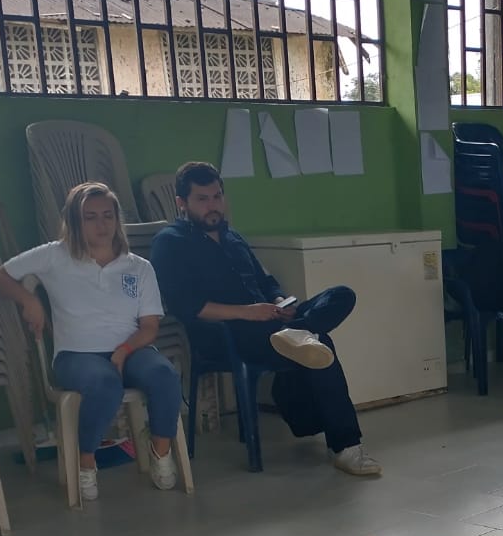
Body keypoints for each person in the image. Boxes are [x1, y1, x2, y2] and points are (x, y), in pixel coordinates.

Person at [149, 162, 381, 476]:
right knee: (320, 342)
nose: (213, 206)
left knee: (341, 294)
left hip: (270, 321)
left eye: (217, 196)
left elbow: (266, 280)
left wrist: (278, 301)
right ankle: (347, 447)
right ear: (182, 203)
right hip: (226, 332)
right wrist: (247, 312)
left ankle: (297, 333)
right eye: (202, 199)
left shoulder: (233, 237)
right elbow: (186, 306)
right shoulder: (171, 242)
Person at [0, 182, 181, 502]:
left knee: (164, 375)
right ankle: (86, 462)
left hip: (132, 348)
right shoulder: (55, 255)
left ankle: (160, 452)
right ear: (75, 221)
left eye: (108, 215)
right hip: (76, 355)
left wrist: (124, 350)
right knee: (104, 383)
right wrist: (29, 300)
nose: (101, 224)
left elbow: (149, 326)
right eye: (90, 217)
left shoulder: (138, 267)